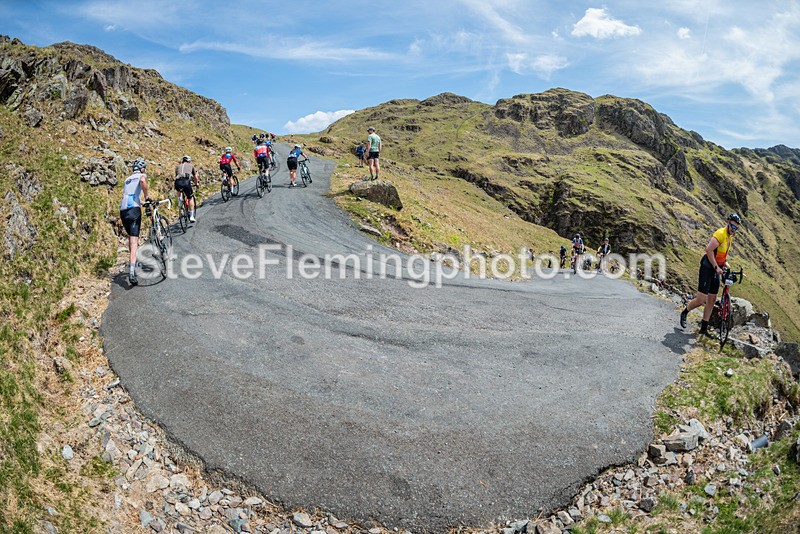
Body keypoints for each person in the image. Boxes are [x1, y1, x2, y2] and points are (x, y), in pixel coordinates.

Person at [680, 213, 742, 336]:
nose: (734, 230)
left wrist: (725, 264)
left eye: (736, 228)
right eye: (733, 227)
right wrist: (716, 267)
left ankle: (703, 328)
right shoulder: (720, 234)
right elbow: (708, 250)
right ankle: (685, 312)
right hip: (708, 268)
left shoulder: (730, 237)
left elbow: (720, 254)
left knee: (712, 301)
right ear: (728, 223)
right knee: (701, 300)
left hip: (717, 268)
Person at [119, 158, 150, 286]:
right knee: (134, 240)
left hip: (123, 210)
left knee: (130, 238)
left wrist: (141, 202)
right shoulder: (141, 175)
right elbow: (143, 181)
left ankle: (133, 260)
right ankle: (132, 271)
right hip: (134, 211)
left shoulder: (127, 179)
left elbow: (130, 194)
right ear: (142, 169)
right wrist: (147, 197)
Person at [174, 155, 199, 223]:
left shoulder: (178, 166)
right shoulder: (191, 166)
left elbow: (177, 175)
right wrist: (196, 184)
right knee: (190, 198)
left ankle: (180, 201)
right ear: (189, 161)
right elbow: (195, 177)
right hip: (186, 182)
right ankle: (191, 216)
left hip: (177, 181)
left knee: (179, 189)